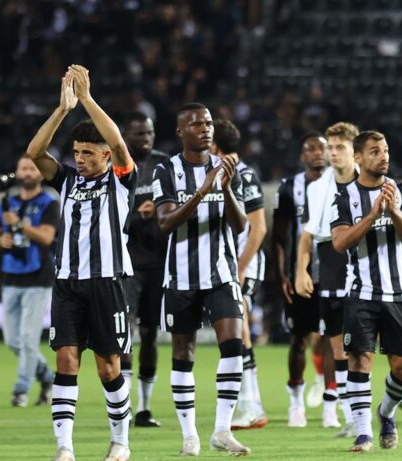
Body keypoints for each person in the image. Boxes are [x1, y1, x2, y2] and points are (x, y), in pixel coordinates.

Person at [26, 65, 136, 461]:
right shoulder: (68, 180)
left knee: (109, 368)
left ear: (104, 155)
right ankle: (65, 448)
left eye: (87, 152)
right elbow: (35, 153)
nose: (80, 159)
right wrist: (62, 110)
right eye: (76, 153)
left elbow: (119, 143)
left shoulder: (121, 180)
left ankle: (120, 442)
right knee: (66, 360)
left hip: (108, 281)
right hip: (68, 283)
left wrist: (87, 99)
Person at [152, 103, 250, 456]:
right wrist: (202, 191)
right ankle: (190, 435)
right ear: (180, 131)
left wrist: (225, 188)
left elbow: (240, 224)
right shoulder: (166, 170)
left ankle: (222, 430)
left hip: (221, 272)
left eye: (208, 123)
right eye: (196, 124)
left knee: (234, 346)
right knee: (183, 353)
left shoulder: (227, 167)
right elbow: (165, 222)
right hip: (180, 276)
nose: (205, 129)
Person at [331, 130, 402, 453]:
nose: (383, 156)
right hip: (362, 292)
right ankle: (363, 433)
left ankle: (386, 412)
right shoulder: (344, 197)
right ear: (358, 158)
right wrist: (372, 216)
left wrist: (394, 211)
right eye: (374, 151)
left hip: (401, 294)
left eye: (385, 150)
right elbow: (340, 242)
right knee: (359, 360)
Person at [295, 121, 360, 434]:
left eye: (339, 148)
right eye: (330, 147)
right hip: (331, 265)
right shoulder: (317, 188)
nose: (332, 153)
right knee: (338, 348)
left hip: (365, 264)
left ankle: (392, 398)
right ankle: (351, 416)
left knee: (364, 348)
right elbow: (307, 235)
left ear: (354, 152)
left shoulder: (370, 182)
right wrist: (301, 271)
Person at [0, 156, 58, 408]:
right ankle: (48, 377)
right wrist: (1, 242)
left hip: (38, 277)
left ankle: (21, 390)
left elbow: (47, 237)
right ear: (17, 173)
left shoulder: (49, 202)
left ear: (40, 174)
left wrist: (20, 226)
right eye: (23, 168)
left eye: (32, 168)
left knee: (28, 339)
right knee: (13, 342)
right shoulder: (8, 204)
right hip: (11, 276)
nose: (27, 172)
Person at [211, 119, 269, 430]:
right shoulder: (218, 173)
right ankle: (249, 404)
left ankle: (250, 405)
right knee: (237, 331)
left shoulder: (243, 175)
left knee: (241, 329)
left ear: (214, 145)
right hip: (226, 265)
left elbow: (258, 228)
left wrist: (241, 267)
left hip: (243, 264)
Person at [271, 132, 329, 427]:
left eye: (322, 148)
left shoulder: (341, 183)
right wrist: (282, 273)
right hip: (299, 275)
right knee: (298, 339)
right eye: (311, 148)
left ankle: (331, 404)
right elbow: (278, 237)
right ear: (302, 155)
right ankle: (295, 401)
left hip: (332, 273)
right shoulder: (289, 187)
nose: (318, 152)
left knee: (331, 339)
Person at [119, 111, 168, 428]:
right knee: (124, 334)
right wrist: (139, 215)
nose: (146, 139)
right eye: (139, 134)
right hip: (126, 263)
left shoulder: (165, 165)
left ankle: (144, 408)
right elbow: (109, 215)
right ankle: (122, 408)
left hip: (159, 263)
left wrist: (162, 210)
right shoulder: (117, 166)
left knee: (150, 334)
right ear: (126, 136)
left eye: (149, 133)